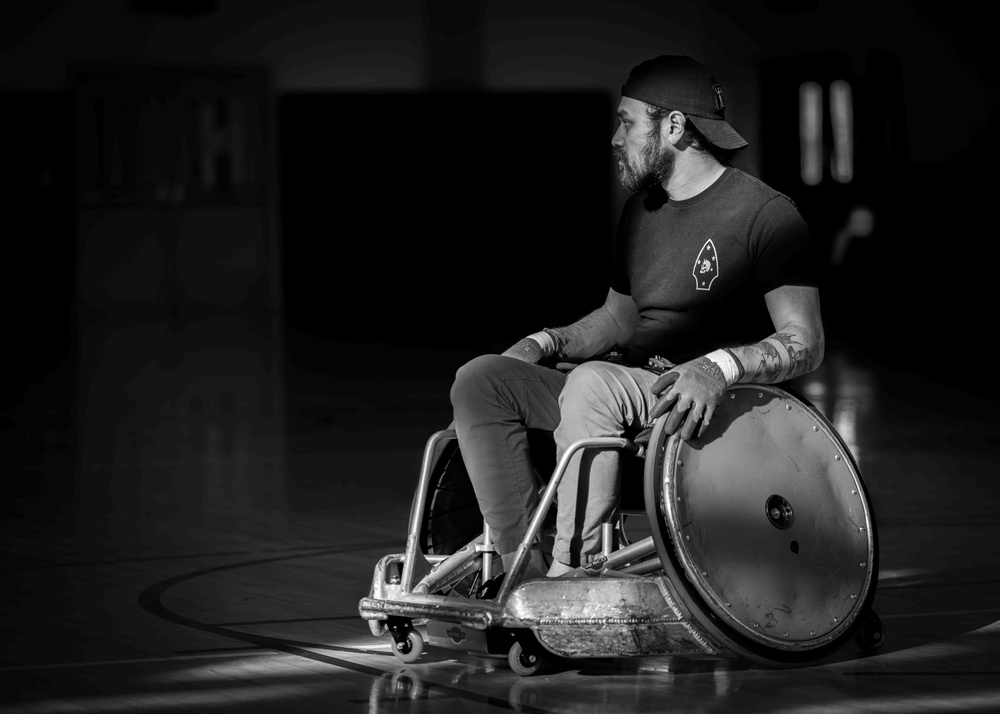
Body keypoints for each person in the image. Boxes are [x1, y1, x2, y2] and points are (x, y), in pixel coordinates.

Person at [450, 55, 824, 583]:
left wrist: (717, 368)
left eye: (627, 122)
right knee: (481, 380)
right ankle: (521, 573)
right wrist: (542, 342)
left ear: (674, 126)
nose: (614, 137)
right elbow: (617, 320)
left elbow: (804, 342)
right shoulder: (640, 213)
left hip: (703, 409)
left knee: (592, 384)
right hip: (623, 385)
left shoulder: (767, 215)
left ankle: (569, 577)